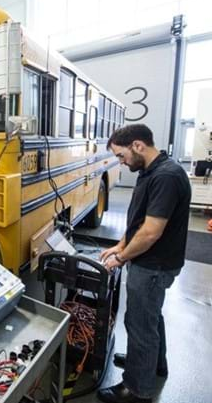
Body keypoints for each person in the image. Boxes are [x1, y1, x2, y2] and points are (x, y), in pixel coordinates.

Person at [97, 124, 191, 403]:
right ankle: (153, 365)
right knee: (150, 316)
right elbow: (139, 220)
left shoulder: (166, 176)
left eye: (121, 155)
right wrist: (121, 244)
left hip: (153, 265)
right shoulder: (149, 171)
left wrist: (120, 258)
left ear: (137, 145)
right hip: (151, 261)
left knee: (139, 323)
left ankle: (138, 389)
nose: (121, 162)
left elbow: (151, 232)